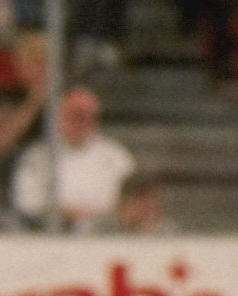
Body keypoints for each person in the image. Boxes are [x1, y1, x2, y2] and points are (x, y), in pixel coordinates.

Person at [9, 86, 142, 231]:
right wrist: (68, 214)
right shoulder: (37, 157)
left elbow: (134, 202)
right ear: (58, 116)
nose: (83, 122)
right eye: (76, 115)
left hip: (108, 235)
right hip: (50, 236)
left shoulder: (116, 156)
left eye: (90, 116)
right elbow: (27, 203)